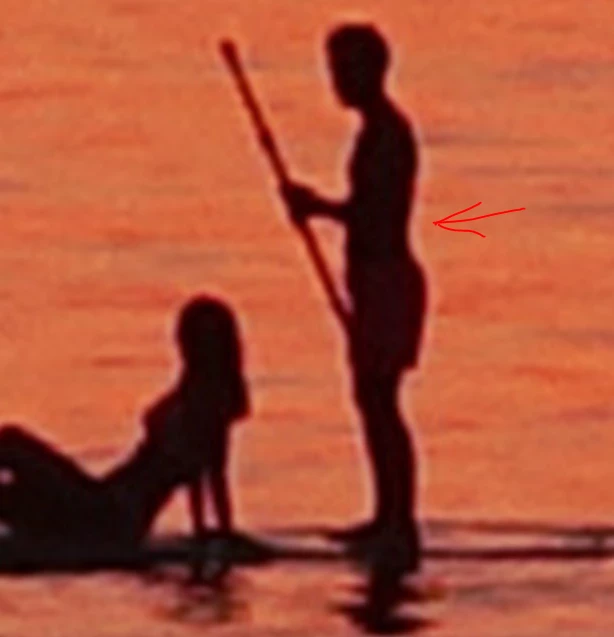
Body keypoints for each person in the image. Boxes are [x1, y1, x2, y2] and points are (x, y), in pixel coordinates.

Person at [281, 24, 427, 571]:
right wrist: (319, 208)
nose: (337, 81)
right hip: (371, 279)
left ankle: (398, 521)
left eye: (345, 70)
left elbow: (376, 214)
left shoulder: (388, 135)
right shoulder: (373, 132)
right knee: (370, 400)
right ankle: (385, 514)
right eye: (335, 70)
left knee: (380, 400)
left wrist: (318, 207)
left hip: (388, 279)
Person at [0, 295, 249, 548]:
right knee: (12, 464)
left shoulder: (209, 410)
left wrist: (218, 535)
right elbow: (200, 479)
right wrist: (206, 531)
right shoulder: (189, 399)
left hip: (112, 519)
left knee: (12, 445)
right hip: (107, 499)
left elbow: (211, 476)